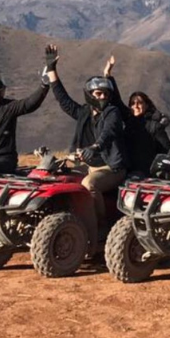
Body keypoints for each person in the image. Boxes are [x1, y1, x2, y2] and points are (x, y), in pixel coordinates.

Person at [45, 45, 128, 221]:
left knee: (89, 184)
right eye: (98, 93)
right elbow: (63, 99)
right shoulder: (84, 113)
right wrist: (51, 70)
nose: (102, 97)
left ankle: (101, 224)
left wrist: (95, 147)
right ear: (90, 94)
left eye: (105, 94)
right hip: (88, 165)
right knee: (57, 178)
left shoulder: (112, 112)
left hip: (111, 168)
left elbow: (109, 132)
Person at [101, 56, 170, 178]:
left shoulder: (155, 126)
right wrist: (108, 75)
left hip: (145, 173)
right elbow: (116, 100)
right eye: (132, 103)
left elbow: (168, 148)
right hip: (125, 169)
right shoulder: (128, 118)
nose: (135, 106)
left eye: (139, 102)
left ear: (146, 105)